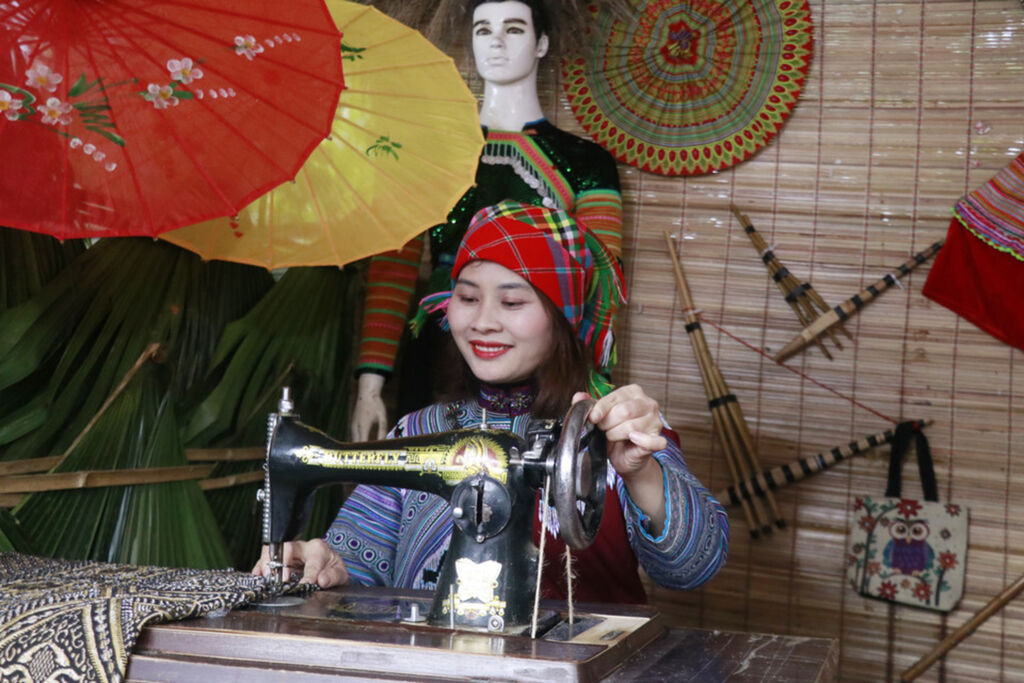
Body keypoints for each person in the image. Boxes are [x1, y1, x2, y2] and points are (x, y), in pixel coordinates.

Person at [254, 201, 729, 601]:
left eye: (512, 302)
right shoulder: (418, 431)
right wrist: (326, 563)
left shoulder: (618, 430)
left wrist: (641, 472)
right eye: (467, 298)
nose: (482, 322)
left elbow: (694, 567)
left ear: (562, 317)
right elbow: (360, 559)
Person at [351, 0, 624, 441]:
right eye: (483, 30)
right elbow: (393, 269)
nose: (496, 42)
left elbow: (601, 288)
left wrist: (594, 393)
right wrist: (371, 384)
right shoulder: (429, 155)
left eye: (513, 29)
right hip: (439, 355)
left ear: (542, 43)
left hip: (543, 364)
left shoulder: (586, 163)